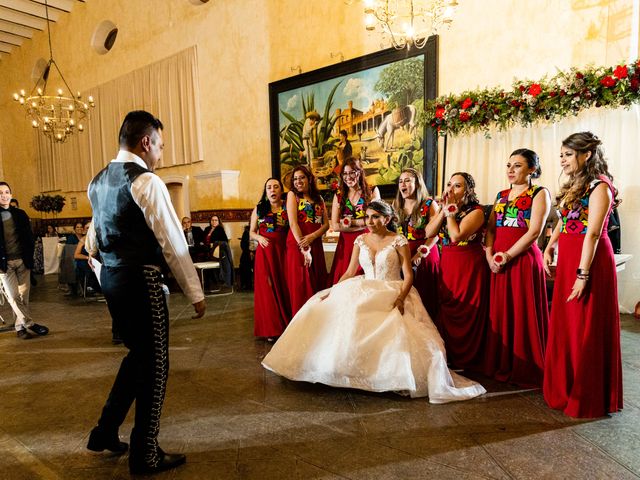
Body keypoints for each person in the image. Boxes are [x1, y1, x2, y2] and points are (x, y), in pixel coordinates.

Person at [263, 200, 485, 402]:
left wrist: (400, 298)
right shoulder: (360, 239)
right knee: (334, 312)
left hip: (392, 288)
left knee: (394, 327)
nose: (370, 221)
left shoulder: (399, 240)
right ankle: (341, 370)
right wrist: (334, 290)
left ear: (387, 219)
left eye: (376, 217)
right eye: (367, 217)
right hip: (364, 285)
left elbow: (408, 275)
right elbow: (350, 271)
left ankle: (388, 375)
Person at [85, 110, 206, 475]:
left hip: (112, 278)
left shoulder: (97, 180)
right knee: (155, 366)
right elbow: (173, 239)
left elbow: (94, 234)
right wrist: (194, 291)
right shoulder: (146, 181)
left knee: (138, 357)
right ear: (146, 142)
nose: (161, 155)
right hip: (141, 281)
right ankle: (145, 453)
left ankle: (105, 431)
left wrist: (99, 262)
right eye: (161, 146)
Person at [542, 132, 622, 418]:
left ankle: (586, 393)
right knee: (568, 324)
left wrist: (583, 274)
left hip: (591, 261)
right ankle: (567, 386)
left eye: (567, 154)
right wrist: (551, 246)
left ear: (586, 154)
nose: (562, 160)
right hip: (570, 259)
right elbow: (566, 222)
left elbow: (594, 233)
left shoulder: (600, 187)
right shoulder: (577, 185)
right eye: (561, 155)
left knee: (585, 325)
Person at [483, 149, 550, 388]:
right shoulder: (501, 195)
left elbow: (535, 232)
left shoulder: (539, 193)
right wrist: (490, 254)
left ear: (532, 169)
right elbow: (490, 228)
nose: (511, 170)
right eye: (509, 165)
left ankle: (526, 365)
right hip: (498, 259)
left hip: (521, 259)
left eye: (518, 166)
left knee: (522, 311)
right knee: (502, 311)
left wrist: (507, 256)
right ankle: (502, 361)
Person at [423, 172, 489, 370]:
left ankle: (469, 358)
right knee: (447, 307)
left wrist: (450, 213)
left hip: (468, 265)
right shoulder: (445, 210)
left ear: (468, 190)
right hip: (448, 264)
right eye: (449, 185)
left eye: (457, 186)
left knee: (467, 309)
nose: (450, 190)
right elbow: (428, 232)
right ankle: (449, 354)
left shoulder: (476, 211)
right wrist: (443, 212)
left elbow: (456, 236)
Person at [0, 181, 49, 340]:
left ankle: (20, 328)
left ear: (11, 194)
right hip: (4, 265)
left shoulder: (20, 214)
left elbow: (29, 237)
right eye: (0, 193)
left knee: (23, 298)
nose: (4, 195)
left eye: (6, 192)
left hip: (22, 262)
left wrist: (29, 257)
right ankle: (30, 324)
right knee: (13, 297)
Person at [393, 168, 441, 319]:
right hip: (403, 253)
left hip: (425, 252)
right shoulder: (396, 205)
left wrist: (421, 253)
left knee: (424, 295)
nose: (403, 184)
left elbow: (436, 235)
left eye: (408, 180)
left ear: (417, 184)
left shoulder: (429, 204)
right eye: (401, 181)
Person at [285, 165, 329, 316]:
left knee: (318, 281)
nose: (298, 181)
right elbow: (293, 223)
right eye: (295, 179)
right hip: (298, 244)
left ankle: (318, 321)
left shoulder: (319, 198)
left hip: (315, 243)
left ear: (309, 178)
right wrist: (304, 247)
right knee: (301, 285)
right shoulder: (293, 195)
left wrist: (312, 237)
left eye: (301, 177)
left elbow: (326, 224)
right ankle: (301, 322)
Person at [329, 157, 380, 284]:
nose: (348, 177)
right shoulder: (339, 195)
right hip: (346, 244)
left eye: (352, 172)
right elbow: (335, 226)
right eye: (345, 174)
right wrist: (362, 223)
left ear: (360, 172)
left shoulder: (372, 191)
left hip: (368, 241)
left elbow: (375, 219)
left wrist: (350, 223)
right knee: (345, 279)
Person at [250, 178, 290, 340]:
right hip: (265, 253)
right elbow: (252, 231)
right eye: (269, 188)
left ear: (281, 190)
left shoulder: (288, 206)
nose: (272, 190)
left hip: (283, 251)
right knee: (268, 288)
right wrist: (259, 239)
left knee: (283, 285)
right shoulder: (259, 208)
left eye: (276, 187)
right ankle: (271, 329)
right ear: (265, 192)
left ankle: (286, 323)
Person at [203, 215, 233, 288]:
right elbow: (203, 238)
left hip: (215, 251)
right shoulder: (207, 229)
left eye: (216, 220)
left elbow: (225, 241)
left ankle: (213, 282)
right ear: (210, 221)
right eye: (212, 220)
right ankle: (205, 282)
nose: (214, 222)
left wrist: (215, 243)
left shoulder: (220, 229)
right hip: (206, 249)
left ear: (218, 221)